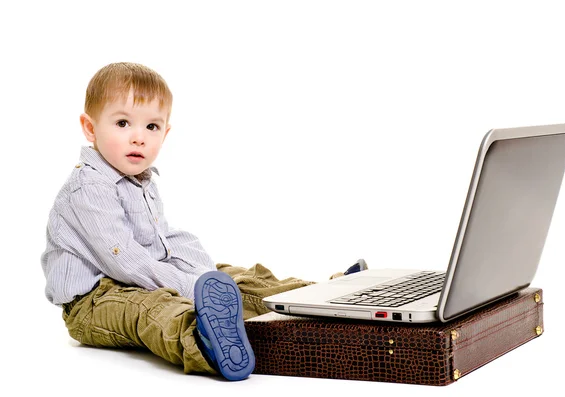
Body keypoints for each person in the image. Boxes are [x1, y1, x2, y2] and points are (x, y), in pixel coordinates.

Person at [41, 62, 367, 381]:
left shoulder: (139, 180)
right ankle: (205, 341)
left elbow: (165, 240)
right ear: (90, 127)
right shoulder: (90, 188)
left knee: (233, 277)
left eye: (151, 127)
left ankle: (320, 296)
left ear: (165, 132)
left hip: (140, 275)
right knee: (149, 309)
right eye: (123, 123)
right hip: (94, 301)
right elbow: (125, 259)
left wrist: (205, 273)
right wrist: (189, 286)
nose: (138, 137)